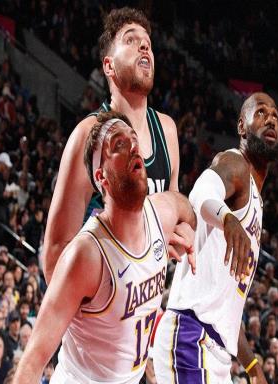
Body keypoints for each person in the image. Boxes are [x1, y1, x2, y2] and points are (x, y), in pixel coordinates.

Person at [1, 112, 196, 384]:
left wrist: (188, 228)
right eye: (119, 145)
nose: (133, 148)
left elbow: (184, 206)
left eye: (134, 141)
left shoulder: (161, 213)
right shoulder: (86, 255)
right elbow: (33, 360)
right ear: (101, 177)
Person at [153, 92, 278, 384]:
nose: (270, 119)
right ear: (242, 126)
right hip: (190, 339)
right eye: (261, 113)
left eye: (275, 115)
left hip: (216, 356)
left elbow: (225, 310)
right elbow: (199, 194)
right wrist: (226, 218)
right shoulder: (235, 164)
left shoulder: (256, 202)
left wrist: (253, 368)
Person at [42, 7, 181, 284]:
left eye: (147, 43)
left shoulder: (167, 130)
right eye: (130, 40)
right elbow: (55, 256)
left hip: (145, 298)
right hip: (100, 299)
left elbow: (174, 216)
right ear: (109, 66)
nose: (144, 46)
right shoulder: (88, 134)